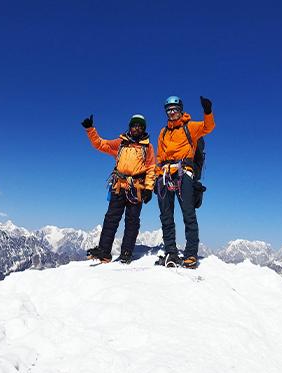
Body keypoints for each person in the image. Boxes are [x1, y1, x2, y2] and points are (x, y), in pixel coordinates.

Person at [82, 113, 156, 263]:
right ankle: (104, 251)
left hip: (137, 187)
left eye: (140, 126)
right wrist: (91, 130)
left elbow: (151, 168)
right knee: (111, 218)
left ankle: (127, 252)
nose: (136, 128)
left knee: (132, 220)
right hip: (119, 185)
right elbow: (101, 144)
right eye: (134, 125)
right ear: (130, 127)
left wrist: (149, 188)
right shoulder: (121, 143)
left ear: (143, 129)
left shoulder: (147, 147)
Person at [155, 96, 215, 268]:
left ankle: (190, 254)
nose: (172, 113)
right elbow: (160, 156)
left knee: (188, 214)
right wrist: (157, 176)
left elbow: (208, 127)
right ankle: (171, 252)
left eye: (174, 109)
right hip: (165, 174)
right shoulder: (163, 132)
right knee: (166, 216)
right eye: (169, 110)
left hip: (184, 173)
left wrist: (208, 112)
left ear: (180, 110)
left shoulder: (191, 126)